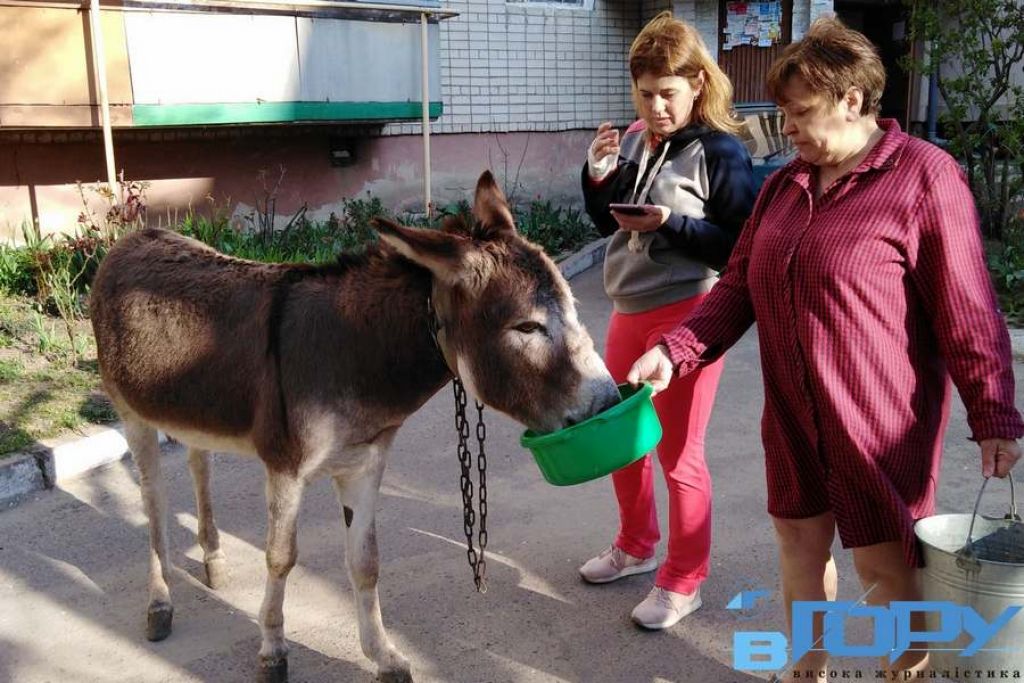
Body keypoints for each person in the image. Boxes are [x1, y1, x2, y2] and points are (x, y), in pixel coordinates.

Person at [626, 16, 1023, 679]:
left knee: (883, 567)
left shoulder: (925, 177)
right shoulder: (785, 186)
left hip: (878, 427)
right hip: (791, 421)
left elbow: (968, 309)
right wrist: (676, 350)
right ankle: (806, 669)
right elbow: (734, 288)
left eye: (800, 111)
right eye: (783, 112)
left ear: (853, 99)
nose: (788, 127)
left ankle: (905, 670)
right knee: (799, 551)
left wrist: (993, 415)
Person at [579, 11, 755, 630]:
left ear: (698, 86)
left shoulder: (722, 150)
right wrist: (598, 175)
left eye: (668, 94)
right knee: (622, 444)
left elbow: (739, 250)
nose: (655, 107)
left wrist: (670, 224)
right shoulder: (634, 138)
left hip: (692, 314)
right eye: (646, 93)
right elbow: (609, 223)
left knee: (679, 455)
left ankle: (684, 580)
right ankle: (634, 546)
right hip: (627, 308)